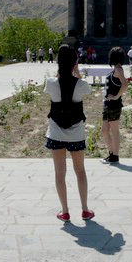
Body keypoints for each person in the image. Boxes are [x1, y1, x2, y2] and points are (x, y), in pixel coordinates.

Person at [44, 44, 94, 222]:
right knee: (80, 171)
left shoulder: (50, 83)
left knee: (60, 172)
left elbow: (56, 83)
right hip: (76, 134)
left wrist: (62, 70)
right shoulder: (81, 84)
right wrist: (77, 71)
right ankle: (85, 210)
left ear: (58, 62)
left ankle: (65, 211)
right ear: (74, 62)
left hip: (56, 132)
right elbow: (86, 89)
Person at [101, 46, 128, 164]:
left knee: (114, 130)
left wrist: (116, 96)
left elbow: (125, 85)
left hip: (114, 104)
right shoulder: (116, 69)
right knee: (104, 130)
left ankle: (115, 155)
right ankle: (111, 153)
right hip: (107, 104)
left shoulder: (118, 70)